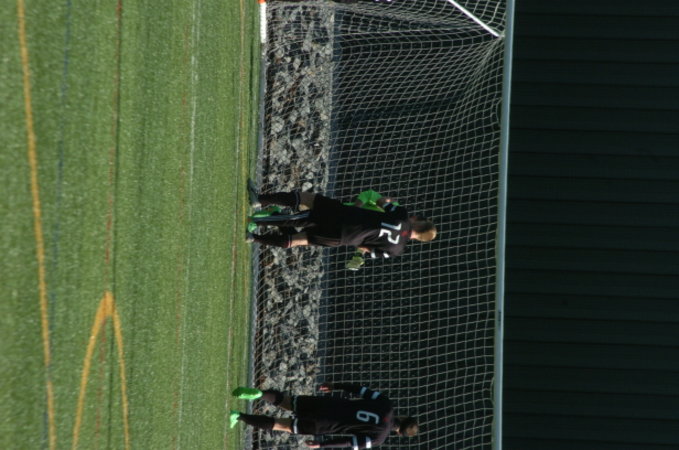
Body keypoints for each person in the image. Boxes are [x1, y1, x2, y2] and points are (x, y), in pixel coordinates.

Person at [246, 181, 436, 260]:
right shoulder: (395, 251)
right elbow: (365, 249)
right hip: (342, 238)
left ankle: (259, 203)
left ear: (419, 223)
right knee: (298, 240)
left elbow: (380, 201)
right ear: (419, 239)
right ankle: (254, 238)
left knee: (305, 203)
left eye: (419, 218)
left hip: (347, 216)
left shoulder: (402, 215)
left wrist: (387, 201)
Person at [230, 383, 418, 449]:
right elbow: (348, 442)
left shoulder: (386, 404)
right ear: (399, 433)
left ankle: (260, 394)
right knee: (280, 425)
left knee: (286, 402)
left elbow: (360, 390)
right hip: (323, 425)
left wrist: (336, 386)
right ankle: (238, 416)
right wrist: (322, 445)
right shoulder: (379, 438)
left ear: (403, 417)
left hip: (327, 404)